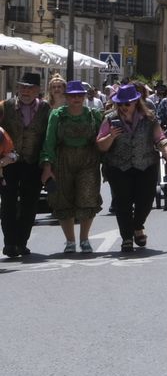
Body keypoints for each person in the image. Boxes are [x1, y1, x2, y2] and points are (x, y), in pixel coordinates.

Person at [98, 84, 167, 253]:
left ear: (135, 102)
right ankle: (127, 238)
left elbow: (160, 138)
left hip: (146, 164)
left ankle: (137, 225)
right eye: (119, 104)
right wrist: (111, 136)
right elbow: (101, 145)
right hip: (118, 166)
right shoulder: (110, 119)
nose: (123, 107)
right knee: (122, 203)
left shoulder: (149, 118)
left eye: (127, 104)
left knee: (146, 201)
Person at [39, 81, 104, 254]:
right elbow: (49, 141)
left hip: (88, 160)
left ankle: (84, 239)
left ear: (84, 97)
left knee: (88, 197)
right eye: (72, 95)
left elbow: (102, 140)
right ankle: (70, 240)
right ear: (66, 97)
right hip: (63, 160)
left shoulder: (93, 115)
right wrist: (47, 166)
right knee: (63, 199)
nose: (76, 98)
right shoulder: (57, 115)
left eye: (79, 95)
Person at [0, 73, 49, 258]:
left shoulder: (46, 109)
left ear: (37, 90)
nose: (25, 91)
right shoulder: (6, 106)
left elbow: (48, 137)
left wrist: (46, 164)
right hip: (9, 163)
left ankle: (22, 242)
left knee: (30, 204)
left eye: (30, 88)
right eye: (22, 87)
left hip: (32, 162)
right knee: (8, 203)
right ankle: (10, 243)